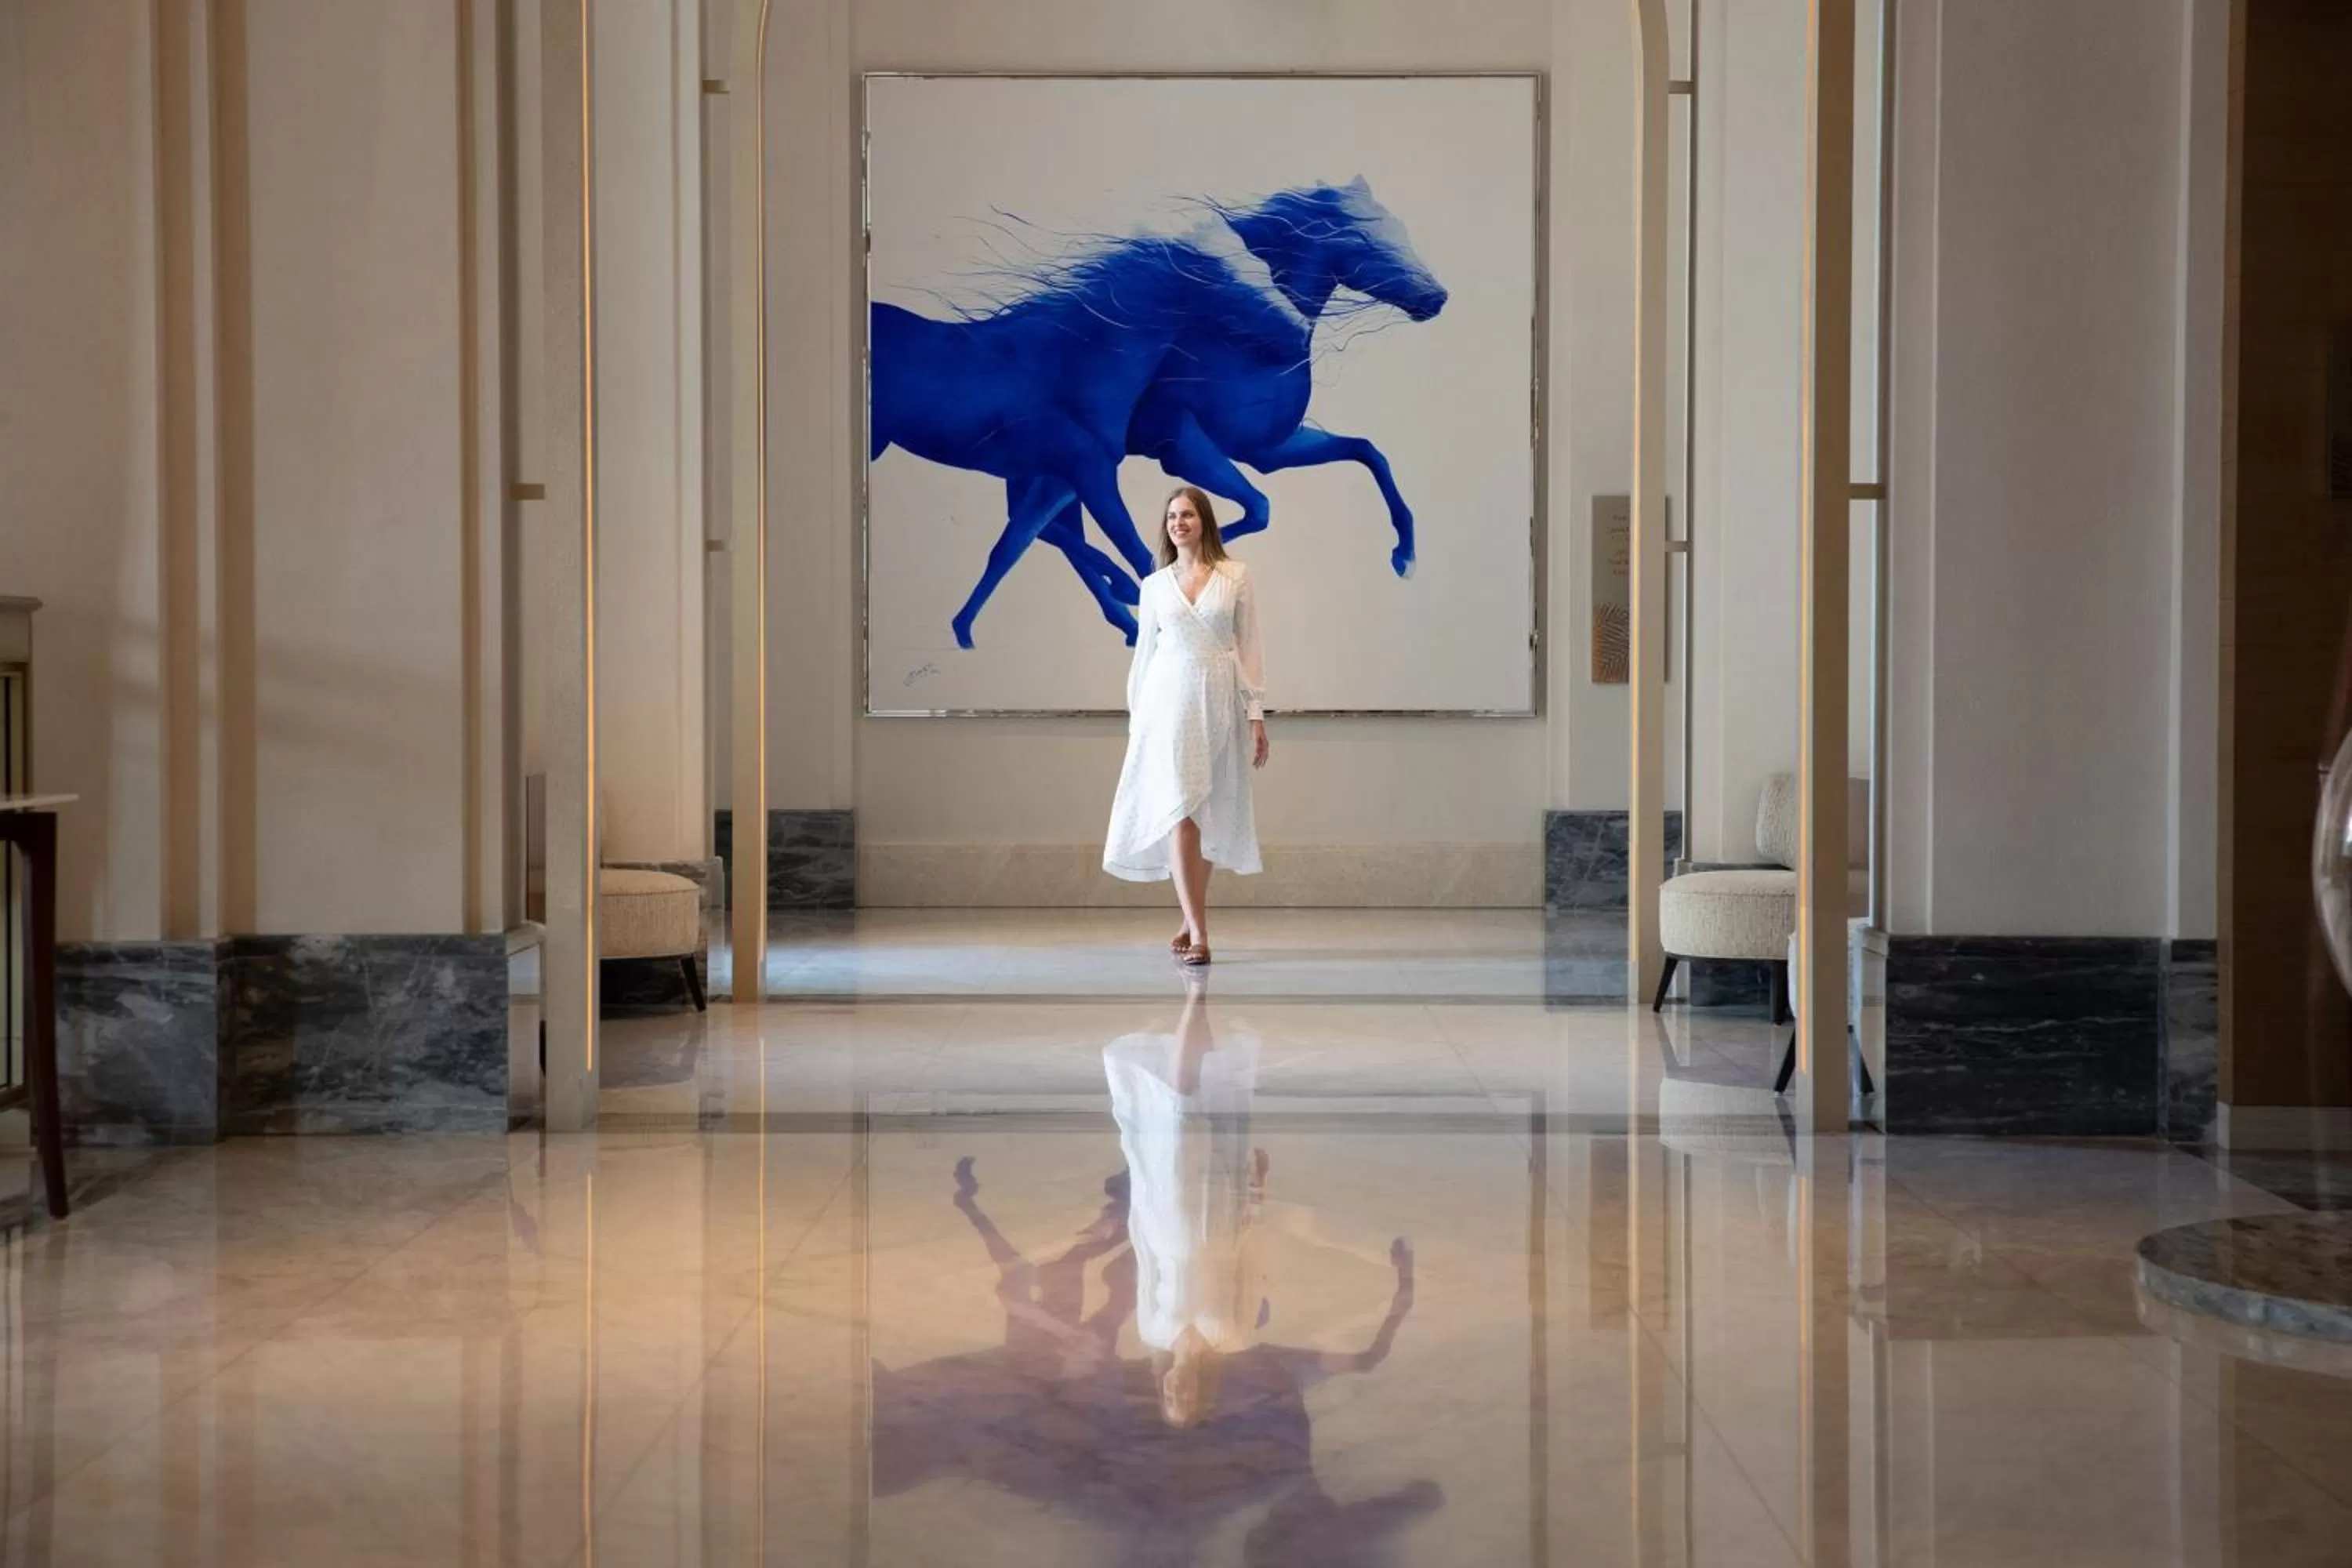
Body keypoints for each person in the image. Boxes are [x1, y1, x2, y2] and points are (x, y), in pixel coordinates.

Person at [1102, 487, 1269, 966]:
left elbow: (1251, 648)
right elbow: (1145, 657)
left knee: (1206, 810)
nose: (1179, 522)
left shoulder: (1235, 576)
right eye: (1172, 515)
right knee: (1181, 811)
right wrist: (1138, 721)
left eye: (1188, 514)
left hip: (1217, 699)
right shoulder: (1154, 585)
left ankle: (1187, 913)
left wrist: (1255, 714)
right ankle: (1199, 931)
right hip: (1167, 702)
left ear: (1205, 521)